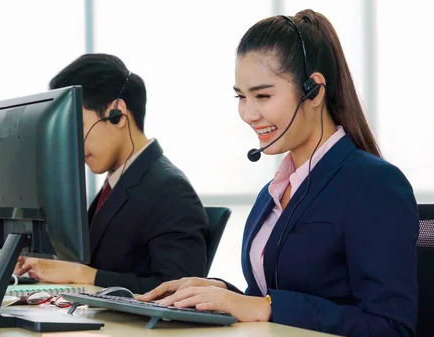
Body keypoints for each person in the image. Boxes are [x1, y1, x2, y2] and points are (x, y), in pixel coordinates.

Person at [139, 9, 418, 337]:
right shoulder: (273, 192)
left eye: (262, 95)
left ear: (313, 91)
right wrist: (221, 294)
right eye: (241, 97)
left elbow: (391, 327)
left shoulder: (374, 184)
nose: (248, 113)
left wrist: (264, 306)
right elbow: (277, 300)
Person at [14, 53, 209, 294]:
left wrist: (85, 276)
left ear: (116, 114)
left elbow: (178, 290)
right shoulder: (118, 183)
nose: (71, 144)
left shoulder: (169, 190)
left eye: (77, 126)